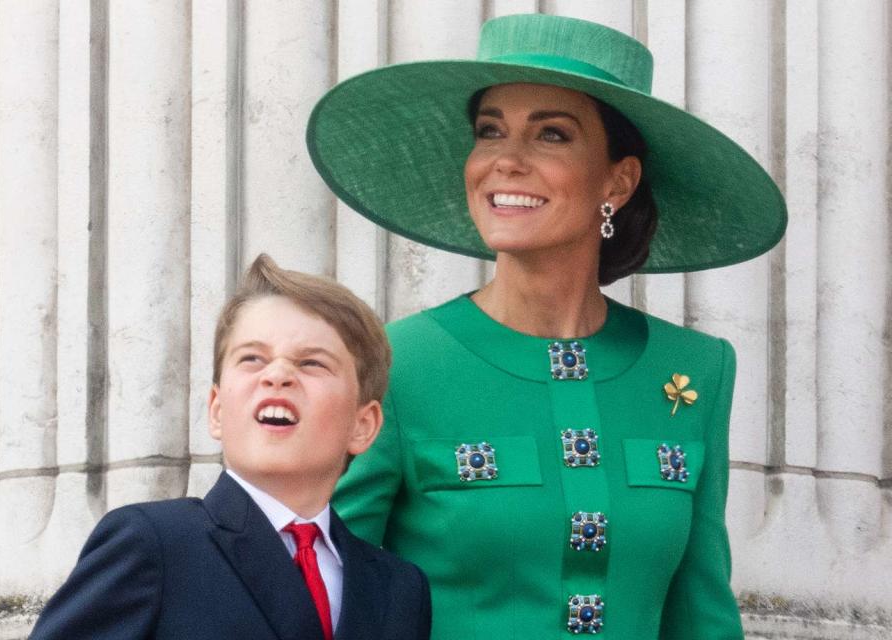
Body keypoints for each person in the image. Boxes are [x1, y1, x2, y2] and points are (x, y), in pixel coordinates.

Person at [307, 13, 786, 640]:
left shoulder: (696, 370)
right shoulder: (398, 362)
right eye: (489, 131)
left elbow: (702, 616)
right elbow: (334, 602)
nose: (506, 161)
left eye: (552, 135)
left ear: (618, 180)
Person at [30, 254, 432, 640]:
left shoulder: (398, 588)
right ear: (217, 409)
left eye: (312, 363)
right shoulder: (154, 543)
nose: (277, 375)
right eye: (253, 358)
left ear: (363, 426)